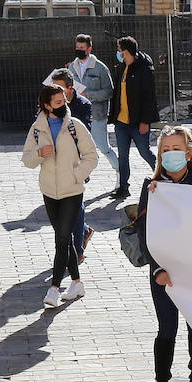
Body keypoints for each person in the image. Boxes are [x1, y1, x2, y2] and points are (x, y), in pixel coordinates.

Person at [139, 126, 192, 382]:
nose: (171, 155)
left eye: (176, 149)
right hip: (164, 271)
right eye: (165, 150)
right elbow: (145, 232)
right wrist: (157, 269)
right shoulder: (152, 185)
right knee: (167, 329)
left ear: (188, 152)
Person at [23, 83, 99, 309]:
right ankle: (77, 283)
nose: (64, 105)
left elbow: (92, 156)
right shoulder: (37, 128)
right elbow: (27, 159)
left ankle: (54, 288)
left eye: (64, 100)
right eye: (57, 102)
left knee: (62, 240)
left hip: (72, 191)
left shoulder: (75, 126)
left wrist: (77, 175)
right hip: (49, 192)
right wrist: (39, 153)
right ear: (46, 105)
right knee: (64, 239)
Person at [47, 69, 96, 260]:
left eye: (59, 88)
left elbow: (85, 137)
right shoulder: (48, 105)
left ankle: (77, 251)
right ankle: (83, 231)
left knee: (76, 205)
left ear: (70, 88)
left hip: (77, 164)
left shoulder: (83, 105)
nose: (55, 92)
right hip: (55, 166)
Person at [109, 36, 159, 199]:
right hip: (121, 122)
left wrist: (145, 121)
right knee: (122, 155)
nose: (118, 52)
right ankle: (123, 187)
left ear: (126, 51)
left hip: (138, 122)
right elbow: (117, 93)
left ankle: (163, 176)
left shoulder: (144, 68)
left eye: (119, 50)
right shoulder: (121, 67)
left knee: (145, 152)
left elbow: (149, 97)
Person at [69, 34, 118, 173]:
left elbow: (109, 91)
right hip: (77, 115)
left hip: (97, 115)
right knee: (75, 148)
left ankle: (120, 173)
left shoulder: (100, 68)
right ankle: (81, 175)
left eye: (82, 48)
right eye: (77, 47)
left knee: (104, 148)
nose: (79, 50)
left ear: (89, 49)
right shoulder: (72, 67)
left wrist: (88, 95)